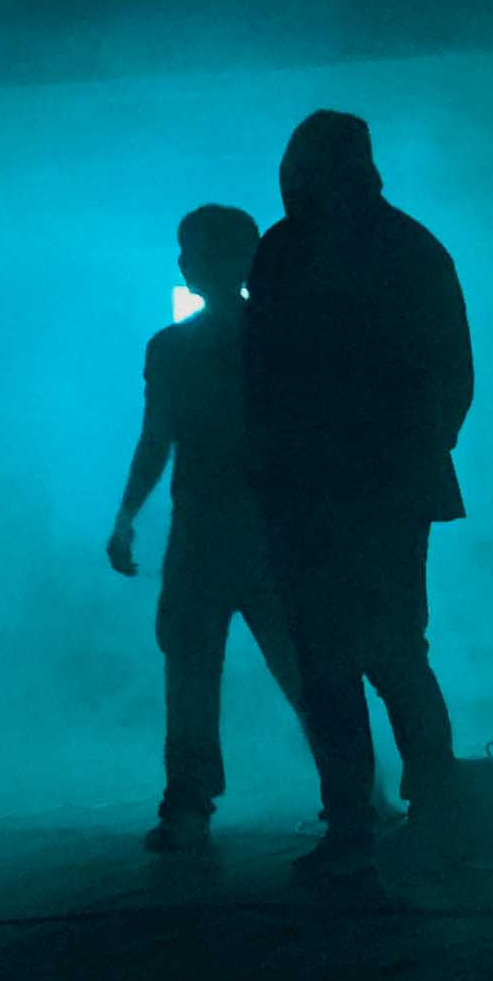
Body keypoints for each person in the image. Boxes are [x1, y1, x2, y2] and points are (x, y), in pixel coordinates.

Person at [245, 111, 472, 881]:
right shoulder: (413, 248)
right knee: (395, 651)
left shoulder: (284, 251)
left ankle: (352, 820)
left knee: (330, 662)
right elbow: (454, 377)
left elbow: (262, 378)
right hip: (386, 492)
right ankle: (433, 812)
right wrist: (413, 456)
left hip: (312, 495)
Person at [107, 206, 341, 852]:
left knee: (200, 672)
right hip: (257, 530)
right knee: (294, 669)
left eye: (206, 254)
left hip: (220, 531)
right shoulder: (272, 335)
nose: (197, 265)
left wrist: (128, 514)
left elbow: (160, 437)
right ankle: (351, 799)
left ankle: (193, 805)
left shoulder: (180, 345)